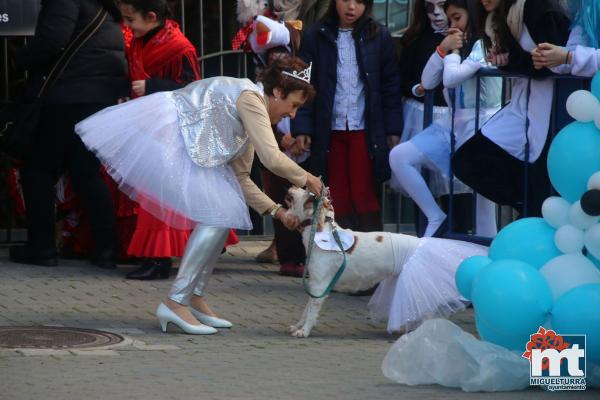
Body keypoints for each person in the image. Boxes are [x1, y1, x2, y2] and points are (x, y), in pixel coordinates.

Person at [75, 57, 322, 334]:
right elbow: (272, 157)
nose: (293, 115)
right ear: (278, 92)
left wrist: (278, 211)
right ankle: (175, 301)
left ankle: (193, 296)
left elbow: (241, 179)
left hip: (190, 146)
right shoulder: (251, 98)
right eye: (294, 105)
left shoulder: (253, 113)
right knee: (216, 216)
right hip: (172, 137)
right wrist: (309, 179)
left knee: (222, 212)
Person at [114, 0, 239, 280]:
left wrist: (152, 87)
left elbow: (194, 88)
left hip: (171, 130)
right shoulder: (142, 40)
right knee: (155, 194)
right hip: (149, 126)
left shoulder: (180, 47)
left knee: (159, 197)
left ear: (151, 16)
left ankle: (160, 259)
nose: (127, 26)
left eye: (130, 20)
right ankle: (171, 252)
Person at [9, 0, 128, 268]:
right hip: (98, 95)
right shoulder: (104, 7)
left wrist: (20, 58)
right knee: (85, 171)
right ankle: (106, 248)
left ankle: (41, 247)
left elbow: (52, 40)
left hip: (67, 97)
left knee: (37, 169)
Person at [389, 0, 500, 238]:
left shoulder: (485, 42)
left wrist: (453, 53)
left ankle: (486, 257)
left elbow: (451, 78)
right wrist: (442, 49)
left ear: (470, 14)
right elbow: (429, 82)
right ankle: (435, 215)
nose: (453, 25)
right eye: (450, 20)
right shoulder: (452, 45)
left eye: (457, 18)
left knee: (483, 204)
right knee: (400, 156)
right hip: (453, 125)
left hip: (484, 129)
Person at [291, 0, 403, 233]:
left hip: (365, 129)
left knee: (364, 192)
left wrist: (393, 129)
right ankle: (340, 251)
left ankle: (373, 250)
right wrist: (302, 126)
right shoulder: (315, 35)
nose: (351, 7)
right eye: (345, 0)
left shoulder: (379, 35)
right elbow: (302, 82)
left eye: (359, 2)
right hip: (329, 130)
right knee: (336, 193)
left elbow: (391, 85)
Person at [452, 0, 570, 217]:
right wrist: (507, 61)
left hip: (553, 106)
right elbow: (532, 63)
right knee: (468, 160)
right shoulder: (503, 17)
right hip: (525, 103)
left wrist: (512, 61)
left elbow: (551, 64)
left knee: (544, 181)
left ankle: (532, 211)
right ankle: (527, 207)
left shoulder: (538, 8)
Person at [531, 0, 600, 77]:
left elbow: (572, 56)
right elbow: (574, 50)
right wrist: (547, 56)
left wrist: (569, 57)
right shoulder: (588, 9)